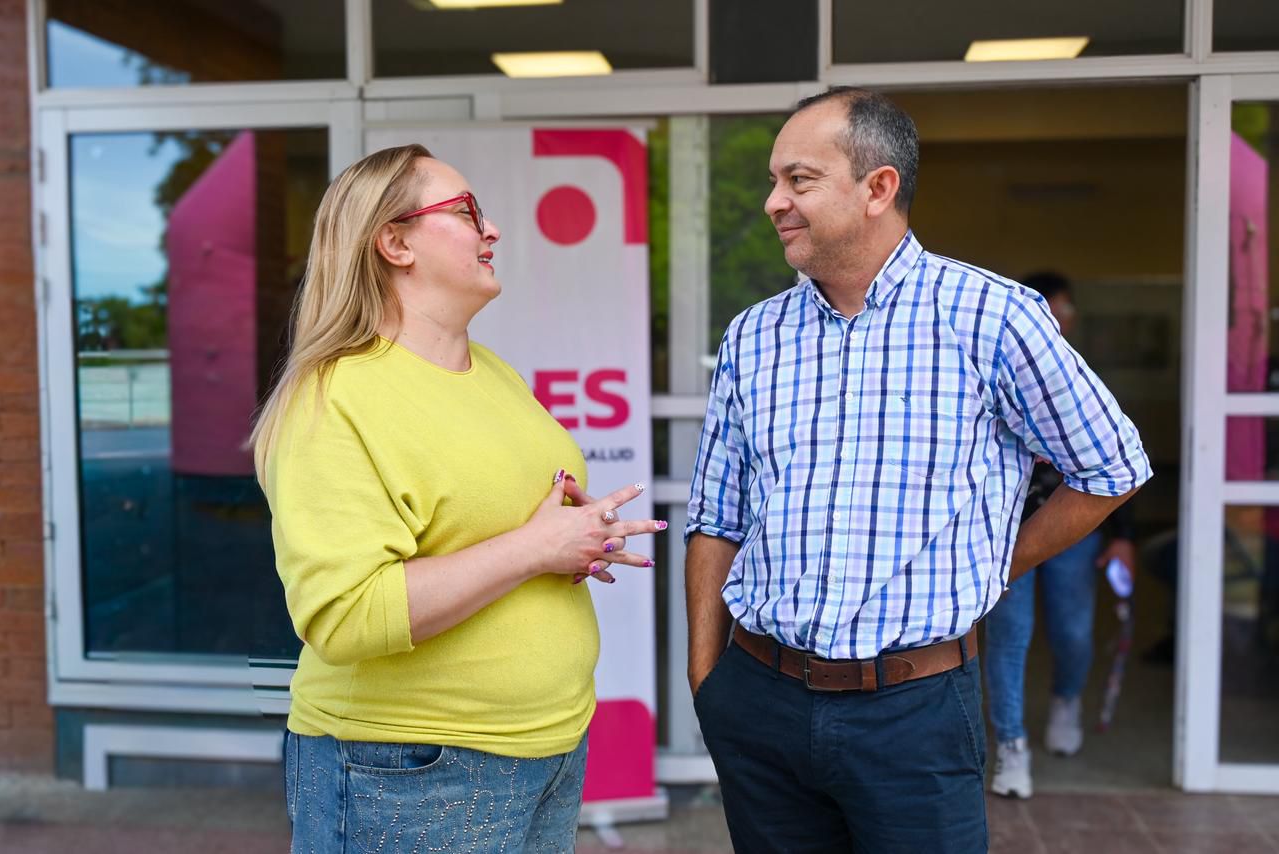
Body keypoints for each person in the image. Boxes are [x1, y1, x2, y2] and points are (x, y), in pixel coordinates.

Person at [684, 87, 1151, 853]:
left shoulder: (993, 316)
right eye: (774, 181)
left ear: (878, 187)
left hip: (915, 711)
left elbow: (1111, 467)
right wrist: (708, 680)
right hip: (760, 700)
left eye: (799, 180)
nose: (773, 203)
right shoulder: (752, 335)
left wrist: (995, 565)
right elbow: (716, 516)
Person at [251, 144, 666, 853]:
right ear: (395, 242)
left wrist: (574, 538)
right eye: (468, 212)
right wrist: (535, 547)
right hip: (411, 766)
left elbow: (499, 528)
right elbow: (344, 615)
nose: (492, 229)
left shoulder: (493, 373)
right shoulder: (333, 398)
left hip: (546, 748)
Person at [983, 271, 1139, 800]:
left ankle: (1066, 699)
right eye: (1053, 310)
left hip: (1075, 528)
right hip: (1006, 530)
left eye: (1067, 311)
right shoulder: (994, 367)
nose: (1061, 319)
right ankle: (1011, 744)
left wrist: (1123, 538)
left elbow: (1118, 464)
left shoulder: (1084, 376)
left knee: (1072, 630)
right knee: (1010, 636)